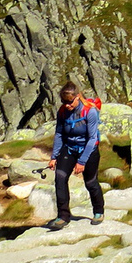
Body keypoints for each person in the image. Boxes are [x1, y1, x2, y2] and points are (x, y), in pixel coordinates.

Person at [46, 82, 104, 230]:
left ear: (77, 97)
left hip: (88, 149)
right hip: (70, 147)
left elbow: (92, 139)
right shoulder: (62, 112)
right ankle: (63, 216)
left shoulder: (89, 111)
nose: (67, 105)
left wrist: (82, 161)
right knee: (60, 177)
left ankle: (98, 212)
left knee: (90, 182)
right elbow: (59, 133)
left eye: (70, 102)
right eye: (64, 102)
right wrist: (54, 156)